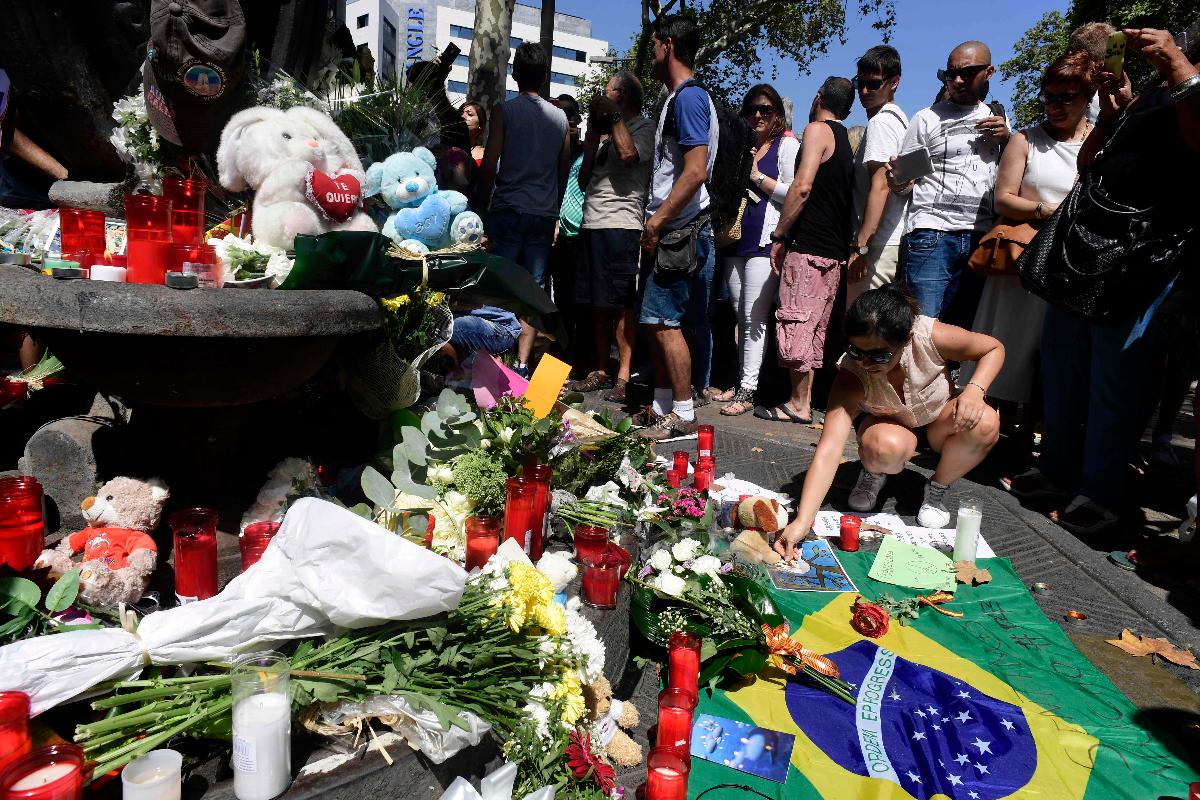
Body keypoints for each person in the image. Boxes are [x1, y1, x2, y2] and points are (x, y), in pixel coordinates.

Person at [1010, 27, 1200, 536]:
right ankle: (1056, 470)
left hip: (1144, 256)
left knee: (1115, 375)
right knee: (1063, 364)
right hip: (1091, 247)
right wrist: (1114, 112)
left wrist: (1180, 71)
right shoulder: (1151, 96)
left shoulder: (1187, 85)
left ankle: (1100, 491)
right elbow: (1089, 160)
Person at [774, 286, 1004, 556]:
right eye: (857, 352)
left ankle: (938, 487)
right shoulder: (851, 375)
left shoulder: (930, 335)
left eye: (879, 355)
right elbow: (829, 450)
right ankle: (874, 471)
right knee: (885, 446)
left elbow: (993, 348)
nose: (866, 363)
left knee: (985, 422)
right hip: (887, 425)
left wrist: (975, 390)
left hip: (938, 416)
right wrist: (802, 521)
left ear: (906, 339)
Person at [961, 53, 1093, 422]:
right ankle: (987, 431)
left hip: (1070, 265)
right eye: (1048, 96)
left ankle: (1038, 437)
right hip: (1023, 263)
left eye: (1065, 97)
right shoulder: (1026, 139)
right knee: (1007, 347)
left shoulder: (1098, 142)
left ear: (1085, 96)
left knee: (1054, 358)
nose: (1054, 106)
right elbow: (1002, 197)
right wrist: (1044, 210)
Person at [636, 14, 719, 440]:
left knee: (665, 323)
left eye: (653, 44)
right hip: (679, 227)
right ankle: (662, 404)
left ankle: (684, 415)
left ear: (667, 45)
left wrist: (657, 221)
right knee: (655, 320)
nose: (649, 52)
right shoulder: (680, 98)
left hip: (679, 229)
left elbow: (694, 172)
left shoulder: (688, 98)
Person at [889, 41, 1009, 331]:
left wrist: (1007, 140)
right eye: (950, 74)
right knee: (922, 329)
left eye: (966, 73)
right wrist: (897, 180)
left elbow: (1012, 177)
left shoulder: (998, 121)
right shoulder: (925, 118)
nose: (956, 81)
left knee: (965, 331)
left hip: (980, 234)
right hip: (932, 233)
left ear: (989, 72)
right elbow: (903, 186)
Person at [758, 77, 855, 424]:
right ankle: (804, 400)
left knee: (796, 323)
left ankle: (798, 404)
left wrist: (779, 233)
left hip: (809, 246)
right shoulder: (846, 141)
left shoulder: (818, 130)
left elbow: (801, 187)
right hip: (832, 253)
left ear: (817, 98)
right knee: (813, 329)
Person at [477, 42, 571, 377]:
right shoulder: (560, 118)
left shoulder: (505, 111)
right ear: (545, 75)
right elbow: (563, 169)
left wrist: (479, 205)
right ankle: (522, 363)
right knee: (533, 290)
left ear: (514, 73)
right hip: (542, 214)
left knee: (500, 287)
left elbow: (489, 165)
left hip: (508, 209)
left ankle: (495, 361)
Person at [564, 71, 655, 403]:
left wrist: (614, 119)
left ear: (623, 97)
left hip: (622, 225)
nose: (601, 99)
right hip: (591, 224)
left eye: (607, 94)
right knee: (596, 304)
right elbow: (583, 179)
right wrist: (591, 139)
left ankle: (623, 376)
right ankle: (600, 371)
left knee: (620, 306)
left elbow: (630, 155)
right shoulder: (605, 134)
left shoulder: (642, 127)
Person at [716, 84, 799, 417]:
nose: (758, 115)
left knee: (754, 316)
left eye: (765, 109)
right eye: (751, 110)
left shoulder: (787, 146)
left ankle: (749, 389)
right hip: (734, 237)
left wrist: (755, 176)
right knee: (740, 312)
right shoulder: (741, 145)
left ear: (777, 113)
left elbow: (794, 194)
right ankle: (742, 383)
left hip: (765, 240)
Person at [847, 45, 908, 305]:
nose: (864, 92)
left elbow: (880, 186)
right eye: (860, 83)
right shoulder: (900, 119)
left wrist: (861, 246)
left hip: (878, 244)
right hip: (889, 241)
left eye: (873, 84)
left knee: (864, 329)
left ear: (894, 82)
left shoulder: (881, 122)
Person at [460, 100, 487, 166]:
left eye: (469, 114)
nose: (462, 116)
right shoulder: (443, 149)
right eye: (460, 113)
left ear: (480, 125)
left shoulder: (488, 155)